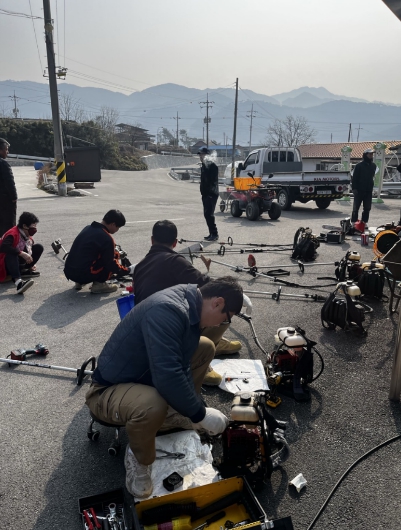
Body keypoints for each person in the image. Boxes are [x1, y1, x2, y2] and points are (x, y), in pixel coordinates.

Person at [85, 276, 243, 498]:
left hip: (141, 377)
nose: (220, 325)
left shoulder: (191, 305)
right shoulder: (168, 310)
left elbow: (182, 363)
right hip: (106, 391)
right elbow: (168, 375)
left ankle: (173, 415)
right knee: (153, 404)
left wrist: (193, 409)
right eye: (226, 318)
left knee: (205, 347)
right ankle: (140, 461)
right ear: (217, 303)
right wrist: (200, 414)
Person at [133, 220, 243, 386]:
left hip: (144, 330)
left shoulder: (139, 266)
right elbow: (208, 287)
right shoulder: (175, 261)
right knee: (224, 306)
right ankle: (201, 358)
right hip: (167, 334)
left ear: (152, 240)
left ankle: (215, 343)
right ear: (175, 242)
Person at [64, 209, 134, 294]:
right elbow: (111, 264)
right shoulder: (107, 238)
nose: (117, 230)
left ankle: (79, 282)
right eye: (118, 227)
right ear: (113, 224)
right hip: (82, 275)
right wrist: (127, 270)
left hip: (69, 271)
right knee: (111, 259)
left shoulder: (88, 228)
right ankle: (99, 285)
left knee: (88, 257)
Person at [0, 211, 43, 294]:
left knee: (39, 247)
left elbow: (28, 248)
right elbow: (4, 247)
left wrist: (31, 263)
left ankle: (23, 270)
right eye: (33, 227)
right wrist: (21, 253)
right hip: (4, 265)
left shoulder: (26, 235)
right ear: (24, 226)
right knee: (12, 253)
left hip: (17, 263)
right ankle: (19, 283)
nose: (35, 229)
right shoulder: (13, 234)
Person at [351, 149, 377, 227]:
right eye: (369, 154)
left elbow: (372, 176)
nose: (371, 156)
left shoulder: (373, 166)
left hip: (368, 190)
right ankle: (354, 221)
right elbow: (354, 178)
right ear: (365, 155)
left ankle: (364, 222)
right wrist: (354, 188)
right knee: (356, 207)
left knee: (367, 207)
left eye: (372, 154)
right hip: (359, 189)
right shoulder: (359, 166)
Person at [198, 147, 219, 241]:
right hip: (205, 194)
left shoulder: (212, 166)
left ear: (207, 155)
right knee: (206, 214)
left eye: (202, 154)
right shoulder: (204, 166)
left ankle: (215, 234)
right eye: (200, 155)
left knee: (209, 214)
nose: (200, 156)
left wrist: (210, 192)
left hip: (211, 193)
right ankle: (211, 233)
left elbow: (212, 180)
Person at [0, 138, 18, 237]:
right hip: (5, 201)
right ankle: (7, 244)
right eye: (6, 149)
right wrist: (14, 197)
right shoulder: (3, 164)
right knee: (8, 227)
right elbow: (9, 182)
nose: (7, 152)